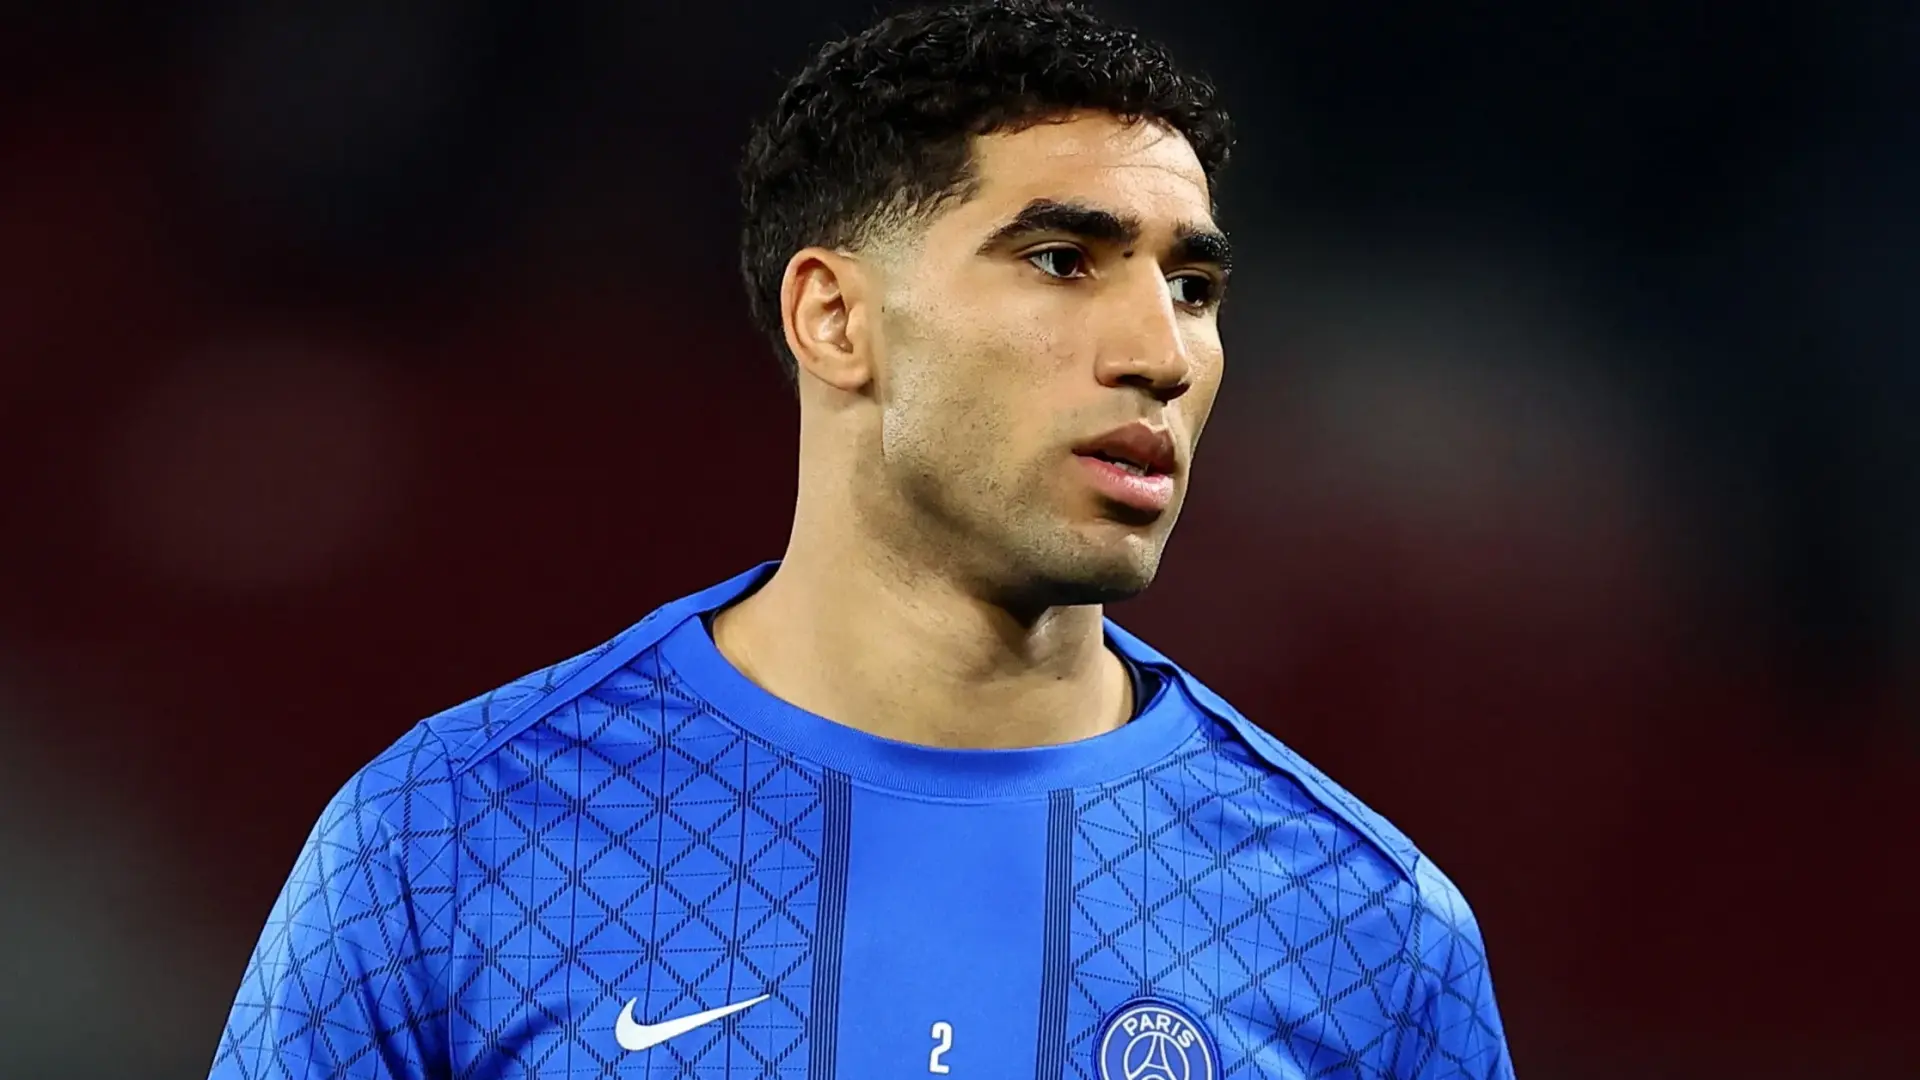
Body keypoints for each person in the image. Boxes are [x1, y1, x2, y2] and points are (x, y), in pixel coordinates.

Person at [207, 1, 1515, 1077]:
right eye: (1064, 260)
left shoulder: (1367, 934)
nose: (1162, 353)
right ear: (834, 320)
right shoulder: (450, 845)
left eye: (1193, 287)